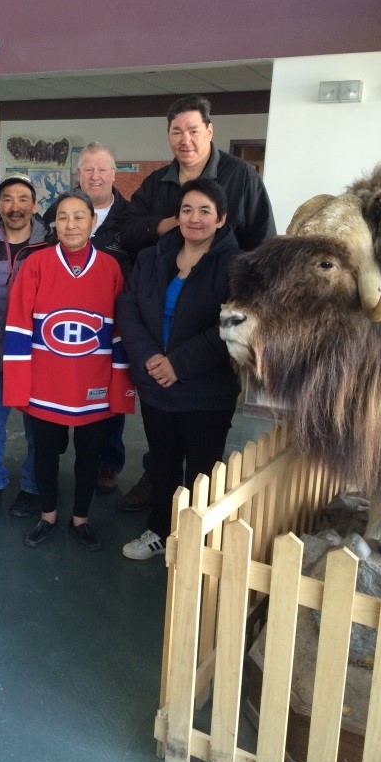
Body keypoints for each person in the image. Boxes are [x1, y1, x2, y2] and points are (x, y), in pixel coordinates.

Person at [117, 93, 276, 512]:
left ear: (209, 130)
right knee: (163, 444)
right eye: (176, 131)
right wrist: (168, 224)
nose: (184, 139)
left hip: (219, 317)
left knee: (203, 456)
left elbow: (265, 246)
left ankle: (194, 518)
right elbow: (128, 232)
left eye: (193, 130)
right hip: (161, 317)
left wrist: (239, 285)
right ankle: (158, 491)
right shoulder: (157, 184)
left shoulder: (242, 178)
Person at [3, 190, 135, 551]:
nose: (71, 224)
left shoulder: (110, 267)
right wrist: (19, 386)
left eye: (79, 216)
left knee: (90, 456)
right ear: (54, 224)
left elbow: (120, 332)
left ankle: (81, 519)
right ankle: (47, 515)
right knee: (44, 453)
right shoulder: (36, 263)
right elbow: (18, 326)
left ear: (93, 222)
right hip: (46, 384)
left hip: (93, 384)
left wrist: (119, 386)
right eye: (62, 217)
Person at [116, 178, 241, 560]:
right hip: (156, 384)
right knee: (163, 464)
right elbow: (128, 308)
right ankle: (159, 530)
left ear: (221, 219)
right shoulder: (152, 257)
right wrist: (149, 357)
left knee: (202, 472)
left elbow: (232, 326)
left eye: (205, 211)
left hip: (206, 390)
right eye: (187, 210)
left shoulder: (238, 266)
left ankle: (197, 544)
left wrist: (179, 363)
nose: (194, 218)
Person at [43, 142, 131, 495]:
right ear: (78, 174)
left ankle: (107, 462)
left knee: (108, 398)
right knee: (59, 394)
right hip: (61, 322)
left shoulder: (131, 218)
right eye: (88, 169)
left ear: (114, 174)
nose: (95, 176)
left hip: (112, 321)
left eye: (102, 169)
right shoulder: (57, 210)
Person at [0, 173, 50, 518]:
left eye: (23, 199)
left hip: (36, 358)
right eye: (7, 199)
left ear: (34, 205)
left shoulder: (51, 248)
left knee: (37, 430)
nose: (15, 207)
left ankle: (32, 487)